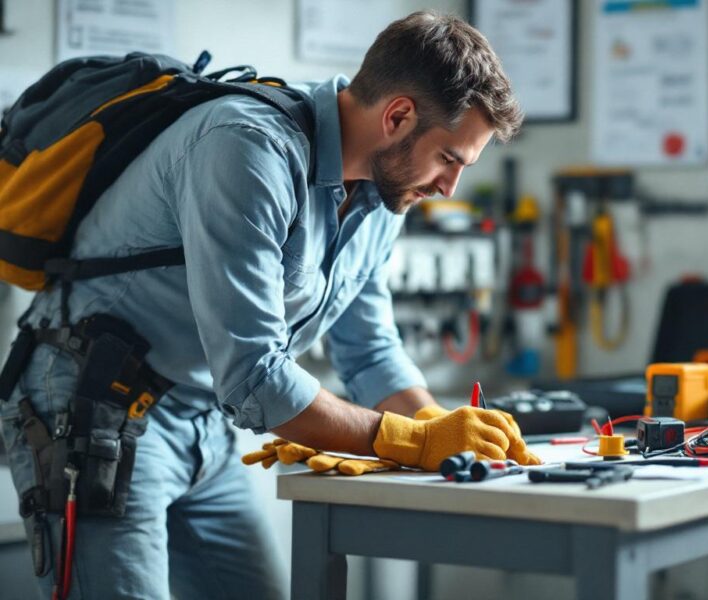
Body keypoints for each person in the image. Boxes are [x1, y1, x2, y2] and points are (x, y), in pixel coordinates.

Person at [0, 10, 538, 599]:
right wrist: (410, 442)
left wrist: (439, 424)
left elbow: (369, 351)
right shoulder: (247, 147)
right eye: (449, 159)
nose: (448, 188)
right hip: (92, 402)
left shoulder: (384, 194)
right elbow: (254, 376)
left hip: (202, 416)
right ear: (398, 117)